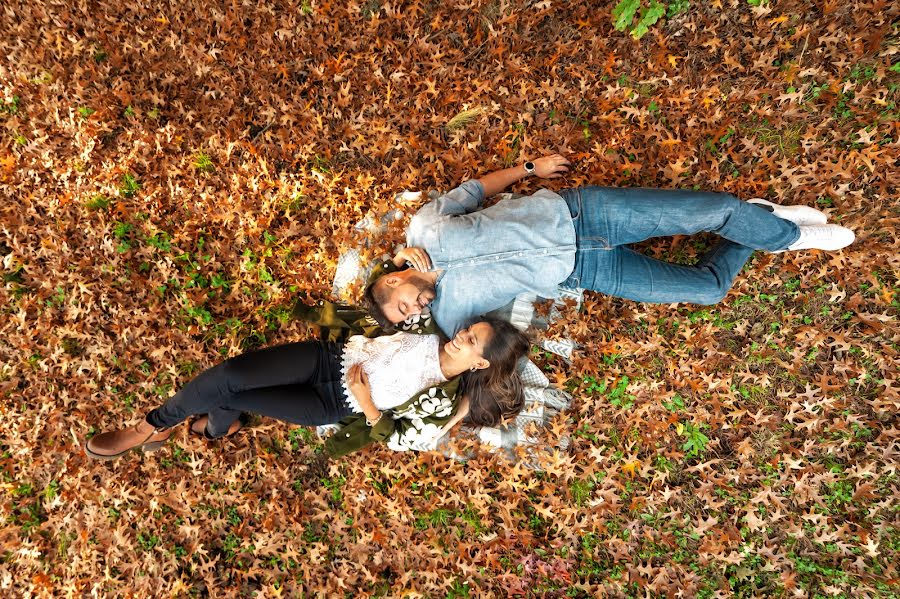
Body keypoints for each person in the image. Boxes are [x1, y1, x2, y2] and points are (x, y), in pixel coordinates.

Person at [364, 154, 855, 336]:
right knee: (708, 291)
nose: (415, 310)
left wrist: (529, 169)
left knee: (719, 209)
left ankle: (787, 236)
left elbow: (474, 191)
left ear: (392, 279)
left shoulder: (424, 227)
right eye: (409, 317)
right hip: (587, 273)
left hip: (583, 212)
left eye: (404, 304)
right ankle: (763, 218)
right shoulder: (452, 318)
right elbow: (438, 367)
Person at [84, 317, 529, 460]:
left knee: (227, 398)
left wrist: (370, 405)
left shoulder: (444, 398)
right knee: (228, 375)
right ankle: (150, 426)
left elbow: (396, 440)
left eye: (471, 340)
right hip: (327, 359)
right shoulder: (429, 329)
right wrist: (405, 271)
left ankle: (218, 429)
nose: (461, 335)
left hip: (329, 402)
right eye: (469, 328)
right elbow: (386, 304)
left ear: (481, 361)